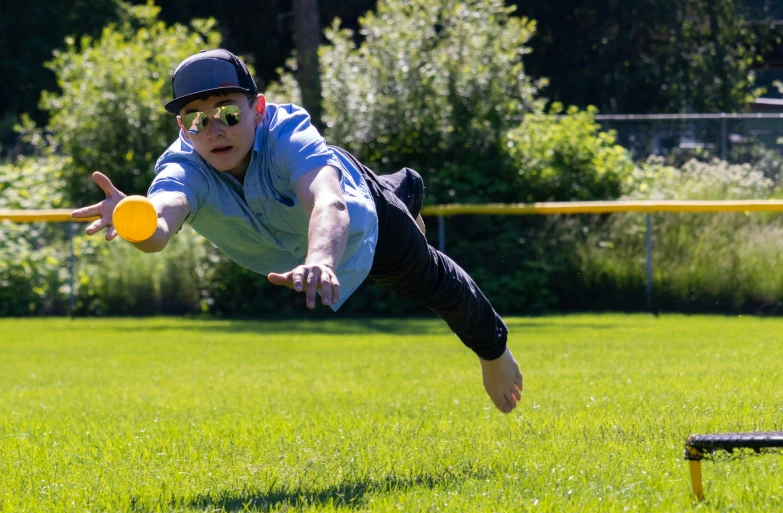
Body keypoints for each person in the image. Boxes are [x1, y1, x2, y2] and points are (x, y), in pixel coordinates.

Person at [72, 49, 523, 413]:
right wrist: (139, 219)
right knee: (409, 227)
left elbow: (328, 201)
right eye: (197, 118)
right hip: (297, 243)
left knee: (429, 279)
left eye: (228, 112)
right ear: (182, 128)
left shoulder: (287, 131)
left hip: (362, 221)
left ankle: (494, 350)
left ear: (259, 108)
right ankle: (406, 191)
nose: (214, 128)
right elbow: (162, 222)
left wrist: (321, 261)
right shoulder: (182, 165)